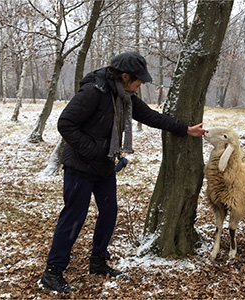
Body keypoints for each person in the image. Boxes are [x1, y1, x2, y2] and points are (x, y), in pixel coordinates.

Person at [40, 51, 207, 294]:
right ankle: (52, 272)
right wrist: (94, 150)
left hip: (104, 166)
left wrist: (184, 129)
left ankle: (98, 261)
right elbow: (65, 123)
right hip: (80, 167)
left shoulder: (124, 95)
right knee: (73, 217)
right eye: (139, 80)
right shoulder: (93, 93)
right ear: (125, 76)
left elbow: (150, 116)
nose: (141, 85)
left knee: (109, 213)